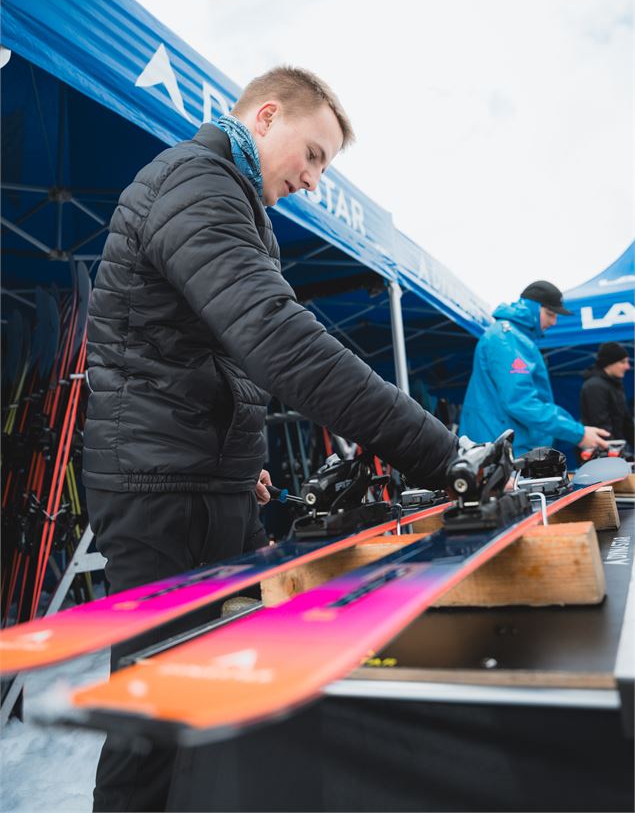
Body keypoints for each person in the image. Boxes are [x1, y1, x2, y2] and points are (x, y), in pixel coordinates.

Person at [82, 66, 458, 812]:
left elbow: (205, 350)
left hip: (197, 478)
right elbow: (272, 336)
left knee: (207, 700)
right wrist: (440, 452)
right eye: (313, 154)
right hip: (158, 490)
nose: (315, 180)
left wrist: (236, 455)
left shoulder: (229, 199)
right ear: (264, 116)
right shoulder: (195, 182)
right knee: (155, 712)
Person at [459, 280, 610, 456]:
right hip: (498, 449)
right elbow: (521, 401)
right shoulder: (506, 339)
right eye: (550, 314)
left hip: (504, 445)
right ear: (532, 307)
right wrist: (577, 433)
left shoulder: (514, 338)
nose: (554, 321)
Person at [580, 342, 634, 455]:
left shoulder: (615, 385)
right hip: (600, 453)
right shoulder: (594, 386)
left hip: (614, 449)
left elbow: (626, 422)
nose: (627, 366)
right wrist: (618, 452)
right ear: (609, 363)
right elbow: (601, 425)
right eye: (623, 362)